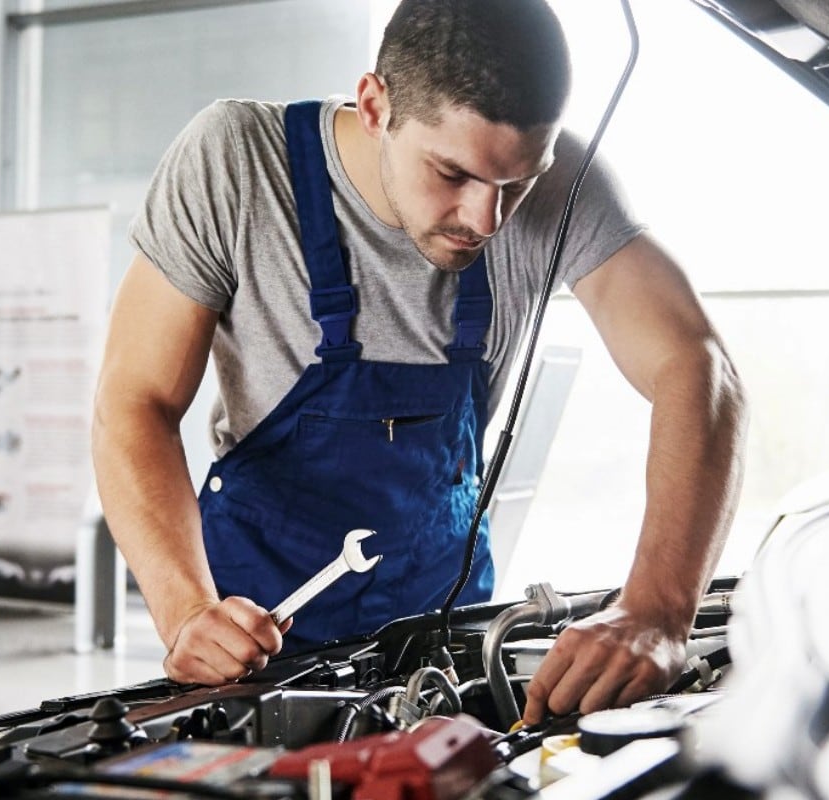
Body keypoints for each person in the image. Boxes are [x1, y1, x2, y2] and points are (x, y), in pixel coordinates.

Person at [92, 0, 747, 727]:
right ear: (375, 105)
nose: (486, 220)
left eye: (517, 183)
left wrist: (657, 608)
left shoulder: (562, 189)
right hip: (254, 641)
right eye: (453, 172)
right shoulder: (240, 163)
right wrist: (186, 611)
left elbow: (697, 367)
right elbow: (135, 400)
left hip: (446, 643)